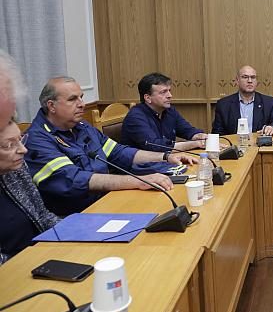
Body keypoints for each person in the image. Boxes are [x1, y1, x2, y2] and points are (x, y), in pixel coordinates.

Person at [25, 77, 196, 216]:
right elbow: (74, 180)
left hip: (107, 201)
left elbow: (118, 152)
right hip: (75, 215)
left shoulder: (82, 127)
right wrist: (138, 181)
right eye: (72, 99)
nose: (82, 104)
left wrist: (165, 157)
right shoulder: (37, 140)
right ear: (51, 106)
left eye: (81, 97)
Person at [1, 120, 59, 263]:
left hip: (42, 254)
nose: (23, 150)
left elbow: (42, 215)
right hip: (16, 268)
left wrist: (74, 230)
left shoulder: (17, 169)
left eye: (21, 140)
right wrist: (29, 261)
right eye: (9, 145)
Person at [121, 72, 207, 151]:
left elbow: (188, 131)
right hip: (143, 162)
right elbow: (156, 146)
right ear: (148, 98)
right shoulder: (135, 117)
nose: (170, 95)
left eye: (169, 91)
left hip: (164, 159)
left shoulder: (169, 111)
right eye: (163, 92)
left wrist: (201, 136)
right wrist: (195, 144)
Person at [213, 65, 273, 136]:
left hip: (260, 142)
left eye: (253, 77)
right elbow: (217, 134)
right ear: (237, 80)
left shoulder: (269, 102)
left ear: (256, 81)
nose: (250, 81)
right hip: (234, 143)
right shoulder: (223, 105)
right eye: (245, 77)